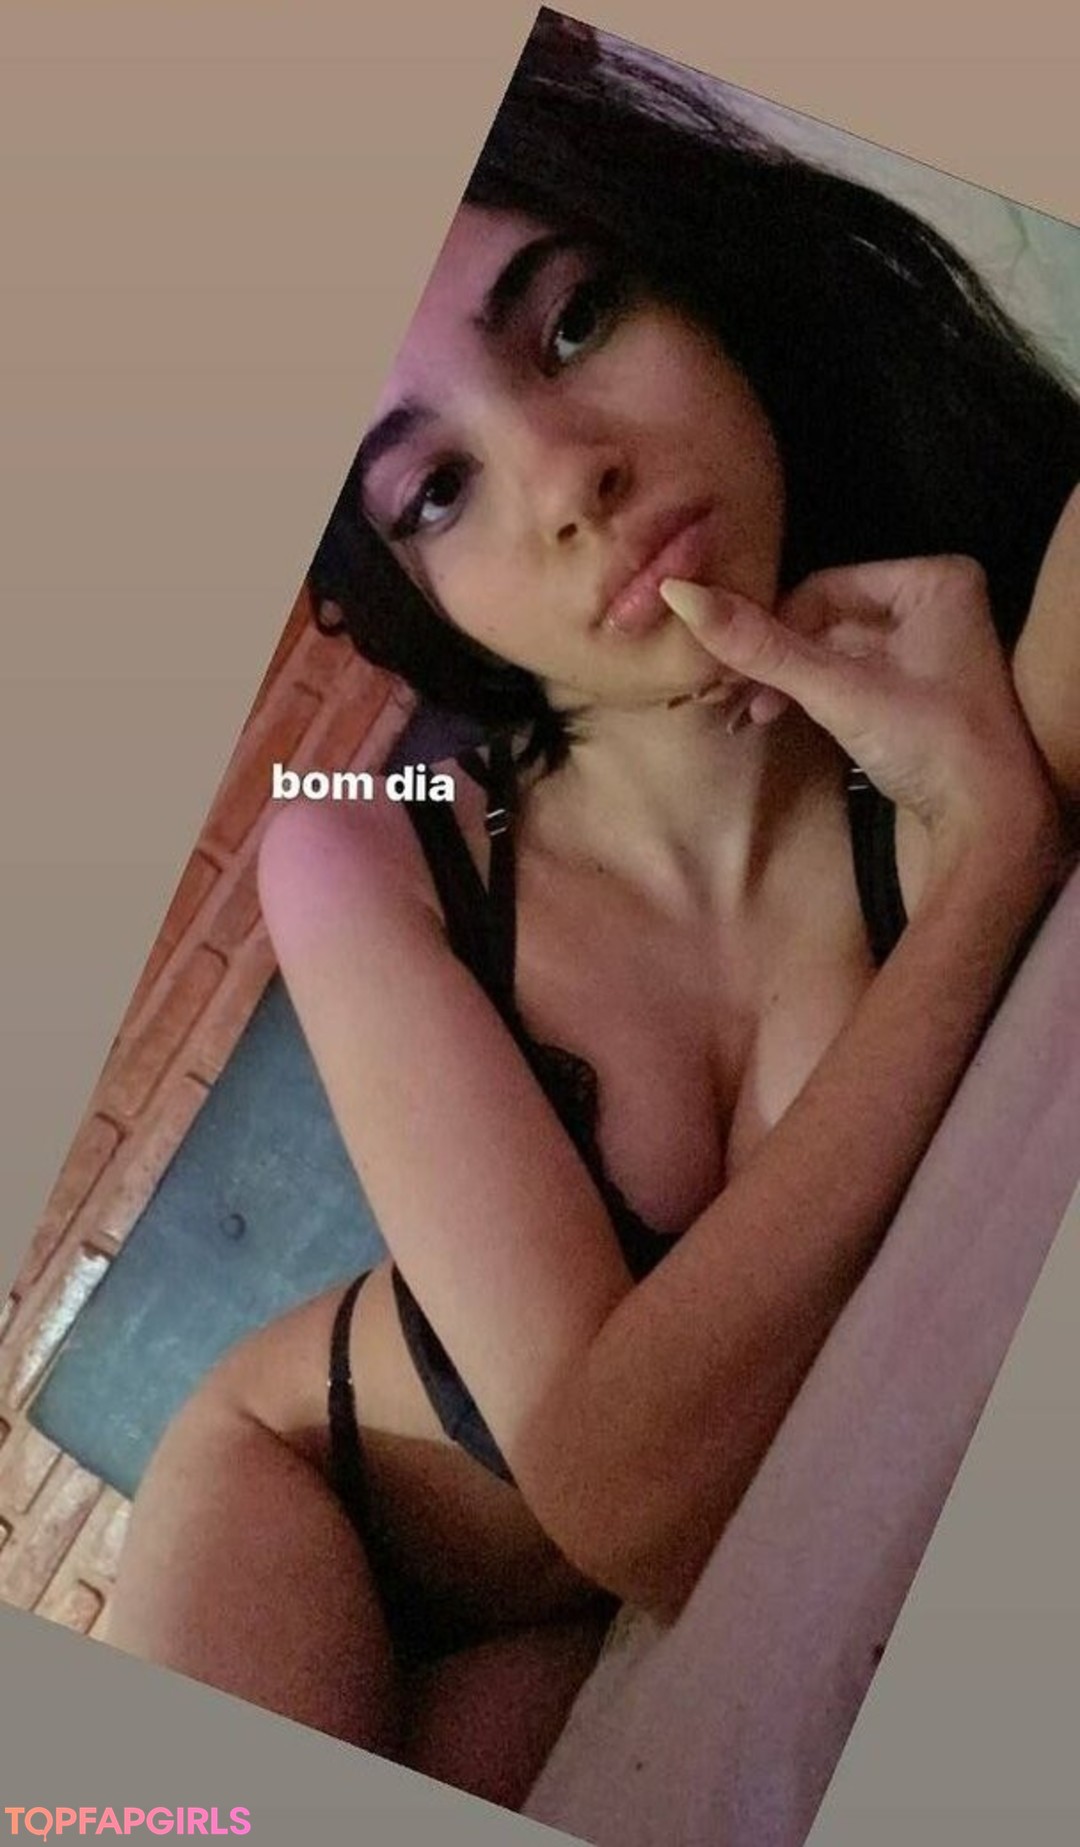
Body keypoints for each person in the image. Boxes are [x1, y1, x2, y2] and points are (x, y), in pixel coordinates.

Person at [104, 15, 1080, 1813]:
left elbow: (654, 1518)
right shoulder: (363, 841)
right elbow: (626, 1495)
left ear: (696, 282)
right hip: (327, 1499)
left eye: (574, 321)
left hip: (577, 1612)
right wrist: (993, 872)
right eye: (437, 491)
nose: (567, 480)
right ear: (419, 600)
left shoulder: (981, 658)